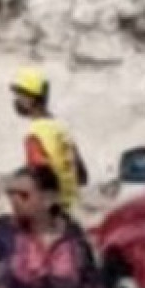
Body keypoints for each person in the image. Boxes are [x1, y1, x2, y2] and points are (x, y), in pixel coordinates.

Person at [10, 68, 89, 215]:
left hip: (50, 214)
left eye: (20, 96)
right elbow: (82, 176)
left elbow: (42, 173)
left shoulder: (34, 134)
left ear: (31, 100)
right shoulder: (62, 129)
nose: (16, 101)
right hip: (72, 210)